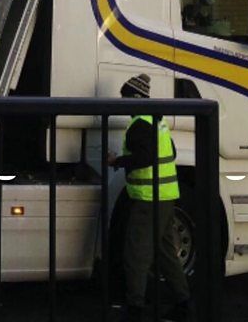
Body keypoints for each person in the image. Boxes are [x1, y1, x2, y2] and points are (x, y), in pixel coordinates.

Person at [109, 74, 194, 322]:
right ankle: (184, 303)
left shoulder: (139, 124)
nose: (123, 103)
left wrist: (118, 161)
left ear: (135, 98)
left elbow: (145, 157)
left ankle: (135, 308)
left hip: (149, 198)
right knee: (166, 252)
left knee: (136, 253)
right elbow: (171, 151)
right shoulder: (157, 120)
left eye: (125, 98)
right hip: (166, 196)